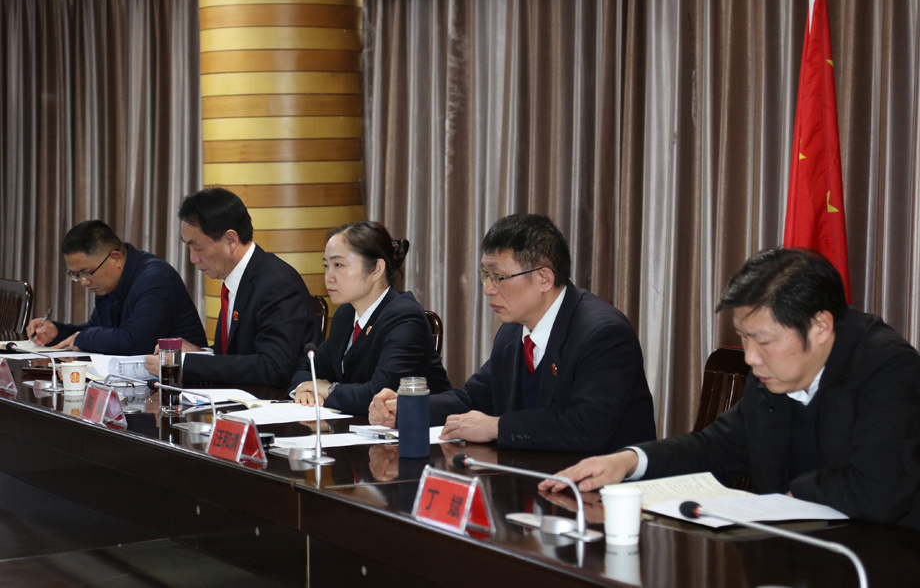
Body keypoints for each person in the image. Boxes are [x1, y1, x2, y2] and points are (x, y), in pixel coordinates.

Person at [541, 248, 920, 530]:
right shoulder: (773, 371)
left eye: (763, 341)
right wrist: (628, 461)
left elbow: (880, 490)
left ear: (820, 326)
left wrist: (796, 492)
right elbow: (717, 448)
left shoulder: (887, 367)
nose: (751, 357)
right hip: (794, 550)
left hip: (883, 557)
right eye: (744, 338)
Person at [369, 213, 657, 455]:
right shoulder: (512, 330)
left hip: (607, 491)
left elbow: (586, 428)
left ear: (544, 278)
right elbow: (475, 398)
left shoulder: (602, 333)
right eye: (485, 275)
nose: (488, 289)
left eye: (499, 277)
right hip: (533, 475)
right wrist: (409, 407)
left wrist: (497, 427)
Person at [144, 187, 319, 389]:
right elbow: (237, 355)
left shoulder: (277, 283)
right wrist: (199, 354)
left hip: (276, 400)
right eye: (189, 247)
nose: (193, 258)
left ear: (230, 240)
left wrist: (185, 364)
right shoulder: (237, 279)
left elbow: (272, 367)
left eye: (198, 248)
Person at [288, 221, 451, 413]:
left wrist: (329, 390)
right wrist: (305, 391)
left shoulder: (406, 318)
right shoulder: (346, 314)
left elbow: (378, 395)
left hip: (417, 427)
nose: (329, 277)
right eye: (326, 266)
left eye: (338, 265)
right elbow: (307, 368)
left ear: (376, 269)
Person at [26, 220, 206, 355]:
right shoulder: (109, 282)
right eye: (77, 275)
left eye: (87, 272)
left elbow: (134, 342)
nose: (83, 282)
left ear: (115, 258)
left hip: (183, 383)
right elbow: (97, 327)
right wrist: (58, 333)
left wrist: (83, 338)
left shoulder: (156, 279)